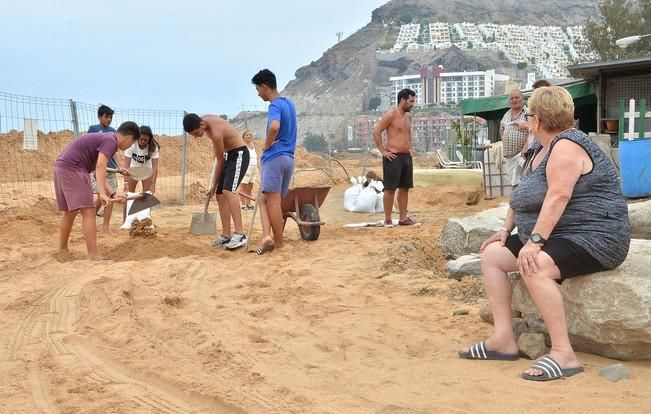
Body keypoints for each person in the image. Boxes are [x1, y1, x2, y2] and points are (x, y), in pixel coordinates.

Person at [459, 86, 630, 382]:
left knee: (533, 267)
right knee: (492, 256)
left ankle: (564, 354)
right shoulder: (541, 148)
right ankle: (503, 339)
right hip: (558, 233)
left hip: (594, 236)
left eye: (530, 114)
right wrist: (505, 230)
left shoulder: (567, 146)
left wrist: (534, 243)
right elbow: (522, 195)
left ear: (536, 120)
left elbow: (558, 196)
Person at [54, 122, 140, 260]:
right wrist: (102, 193)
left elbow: (96, 170)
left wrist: (111, 193)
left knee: (70, 212)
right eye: (132, 143)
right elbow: (101, 166)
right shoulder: (110, 141)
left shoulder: (105, 139)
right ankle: (93, 254)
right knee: (89, 211)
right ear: (130, 138)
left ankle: (63, 248)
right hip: (73, 168)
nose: (129, 147)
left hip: (61, 167)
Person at [183, 113, 249, 250]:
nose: (196, 137)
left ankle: (240, 234)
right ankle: (226, 236)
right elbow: (219, 158)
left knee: (228, 191)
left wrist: (213, 184)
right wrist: (214, 185)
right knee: (220, 195)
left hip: (239, 155)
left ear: (201, 125)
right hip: (228, 155)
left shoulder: (216, 133)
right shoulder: (203, 120)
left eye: (196, 133)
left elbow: (219, 161)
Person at [251, 69, 297, 255]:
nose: (258, 93)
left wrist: (267, 144)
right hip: (288, 158)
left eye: (257, 89)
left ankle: (278, 243)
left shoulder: (274, 106)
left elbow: (275, 126)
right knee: (263, 199)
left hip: (274, 158)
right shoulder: (290, 105)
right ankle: (266, 236)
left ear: (264, 86)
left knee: (272, 202)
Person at [372, 88, 417, 227]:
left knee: (404, 188)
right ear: (402, 100)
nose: (413, 104)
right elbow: (376, 132)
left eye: (414, 101)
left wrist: (410, 147)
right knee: (390, 188)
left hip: (406, 157)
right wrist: (383, 151)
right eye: (411, 101)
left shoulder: (408, 117)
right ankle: (388, 218)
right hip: (393, 156)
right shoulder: (391, 114)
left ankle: (403, 218)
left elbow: (408, 133)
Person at [88, 105, 121, 232]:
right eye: (106, 117)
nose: (109, 119)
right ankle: (90, 219)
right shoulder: (93, 129)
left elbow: (114, 152)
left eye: (111, 117)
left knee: (111, 197)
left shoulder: (113, 131)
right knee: (99, 196)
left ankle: (105, 227)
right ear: (99, 117)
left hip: (111, 169)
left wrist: (119, 166)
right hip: (98, 168)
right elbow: (92, 149)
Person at [122, 125, 160, 220]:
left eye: (146, 140)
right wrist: (125, 182)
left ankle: (146, 221)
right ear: (138, 137)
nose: (143, 142)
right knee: (128, 195)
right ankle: (125, 221)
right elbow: (126, 165)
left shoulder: (153, 148)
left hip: (146, 171)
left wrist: (153, 184)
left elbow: (155, 167)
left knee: (147, 195)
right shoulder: (131, 145)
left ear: (149, 140)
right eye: (141, 139)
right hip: (133, 170)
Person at [499, 89, 529, 188]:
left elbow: (535, 131)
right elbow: (502, 128)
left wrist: (525, 148)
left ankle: (524, 202)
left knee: (526, 180)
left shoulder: (528, 113)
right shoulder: (506, 114)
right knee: (514, 183)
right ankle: (517, 202)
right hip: (509, 155)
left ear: (522, 99)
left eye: (517, 97)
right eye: (512, 98)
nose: (514, 100)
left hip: (523, 154)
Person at [522, 80, 552, 172]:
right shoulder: (536, 111)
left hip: (544, 150)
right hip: (534, 150)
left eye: (534, 94)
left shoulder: (550, 113)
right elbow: (532, 133)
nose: (532, 97)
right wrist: (526, 147)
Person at [239, 129, 258, 211]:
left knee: (250, 187)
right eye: (247, 135)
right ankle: (243, 205)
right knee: (243, 186)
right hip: (246, 167)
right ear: (243, 137)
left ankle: (248, 204)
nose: (249, 136)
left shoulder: (253, 145)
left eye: (250, 135)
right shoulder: (242, 145)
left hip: (254, 168)